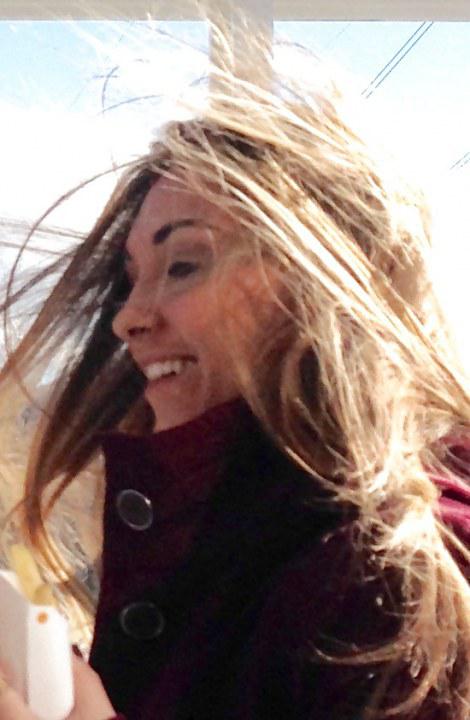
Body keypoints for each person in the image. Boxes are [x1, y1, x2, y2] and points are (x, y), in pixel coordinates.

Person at [0, 29, 469, 720]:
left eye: (184, 264)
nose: (127, 318)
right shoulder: (225, 541)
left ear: (322, 283)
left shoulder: (399, 575)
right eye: (129, 280)